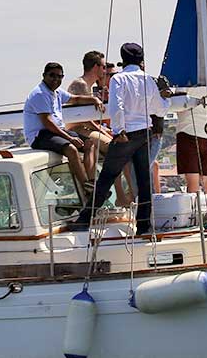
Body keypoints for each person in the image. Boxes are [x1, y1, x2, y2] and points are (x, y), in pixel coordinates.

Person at [71, 43, 167, 234]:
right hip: (144, 133)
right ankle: (144, 225)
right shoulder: (149, 79)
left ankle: (84, 219)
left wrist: (119, 130)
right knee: (143, 180)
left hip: (126, 134)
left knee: (107, 176)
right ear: (141, 60)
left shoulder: (118, 79)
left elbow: (116, 107)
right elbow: (160, 109)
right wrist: (167, 98)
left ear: (123, 60)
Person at [23, 62, 99, 199]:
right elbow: (48, 123)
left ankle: (92, 183)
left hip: (55, 131)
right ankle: (86, 188)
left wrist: (94, 99)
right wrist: (70, 138)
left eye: (60, 76)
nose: (56, 79)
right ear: (44, 76)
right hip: (39, 135)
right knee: (71, 149)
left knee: (90, 144)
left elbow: (74, 99)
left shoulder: (56, 92)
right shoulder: (39, 94)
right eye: (52, 75)